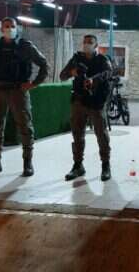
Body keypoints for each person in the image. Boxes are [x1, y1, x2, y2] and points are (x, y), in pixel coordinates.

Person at [0, 17, 49, 178]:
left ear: (17, 28)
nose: (10, 28)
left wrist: (33, 84)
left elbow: (44, 64)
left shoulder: (25, 46)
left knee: (25, 127)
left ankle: (27, 163)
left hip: (18, 91)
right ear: (1, 29)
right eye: (6, 26)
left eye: (12, 26)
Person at [60, 34, 113, 181]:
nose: (86, 44)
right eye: (85, 42)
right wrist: (72, 72)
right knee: (77, 134)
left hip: (96, 102)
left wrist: (93, 80)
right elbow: (62, 75)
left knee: (101, 134)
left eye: (90, 42)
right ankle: (78, 165)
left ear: (96, 45)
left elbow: (109, 72)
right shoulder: (76, 59)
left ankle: (106, 165)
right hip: (79, 101)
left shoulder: (102, 59)